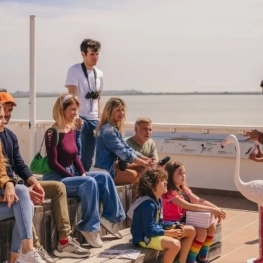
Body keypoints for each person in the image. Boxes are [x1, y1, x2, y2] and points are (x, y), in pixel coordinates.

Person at [0, 91, 90, 262]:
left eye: (10, 111)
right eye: (5, 110)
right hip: (10, 190)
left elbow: (19, 164)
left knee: (58, 188)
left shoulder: (10, 135)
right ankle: (33, 248)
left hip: (14, 188)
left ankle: (64, 240)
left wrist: (34, 182)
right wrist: (23, 190)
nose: (7, 115)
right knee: (25, 200)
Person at [42, 94, 126, 248]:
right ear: (62, 110)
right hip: (57, 178)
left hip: (72, 173)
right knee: (89, 182)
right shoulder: (51, 132)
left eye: (77, 109)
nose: (76, 113)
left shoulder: (72, 130)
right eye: (72, 109)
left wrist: (81, 172)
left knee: (104, 177)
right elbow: (53, 163)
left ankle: (111, 218)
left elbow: (75, 156)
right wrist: (75, 176)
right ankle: (89, 227)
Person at [0, 104, 44, 263]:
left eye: (5, 116)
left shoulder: (9, 136)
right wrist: (10, 187)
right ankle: (26, 252)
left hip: (8, 190)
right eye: (0, 117)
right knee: (23, 195)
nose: (3, 120)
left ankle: (18, 256)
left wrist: (11, 185)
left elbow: (5, 170)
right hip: (7, 191)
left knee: (26, 203)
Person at [127, 167, 196, 263]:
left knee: (191, 230)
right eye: (162, 180)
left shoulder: (158, 200)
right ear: (151, 185)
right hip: (144, 238)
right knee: (175, 244)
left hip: (153, 233)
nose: (166, 182)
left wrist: (173, 225)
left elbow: (159, 223)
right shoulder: (148, 205)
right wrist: (169, 233)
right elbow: (149, 230)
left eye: (165, 180)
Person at [162, 161, 226, 263]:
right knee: (201, 232)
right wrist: (212, 210)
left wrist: (216, 208)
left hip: (184, 220)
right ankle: (190, 260)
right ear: (170, 175)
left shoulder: (183, 188)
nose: (183, 176)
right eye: (180, 173)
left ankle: (202, 257)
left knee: (211, 226)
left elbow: (198, 200)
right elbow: (189, 206)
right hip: (172, 223)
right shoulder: (169, 193)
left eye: (184, 173)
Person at [94, 98, 155, 185]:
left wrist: (146, 159)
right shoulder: (107, 130)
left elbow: (127, 148)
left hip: (117, 166)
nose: (121, 113)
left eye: (122, 110)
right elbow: (122, 152)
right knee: (138, 175)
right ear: (110, 111)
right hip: (108, 169)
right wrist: (143, 163)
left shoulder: (114, 128)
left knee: (144, 169)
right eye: (118, 110)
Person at [65, 38, 103, 171]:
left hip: (94, 120)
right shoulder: (74, 70)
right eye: (92, 54)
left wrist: (100, 119)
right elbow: (73, 97)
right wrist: (75, 118)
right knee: (77, 154)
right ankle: (74, 181)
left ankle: (84, 180)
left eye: (97, 54)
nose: (95, 57)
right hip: (79, 118)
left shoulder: (99, 74)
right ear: (83, 54)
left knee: (88, 159)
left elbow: (98, 98)